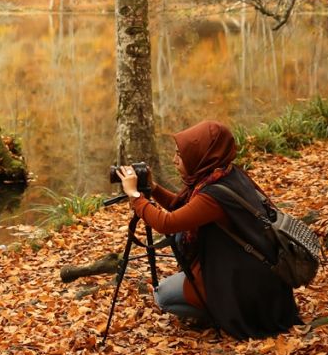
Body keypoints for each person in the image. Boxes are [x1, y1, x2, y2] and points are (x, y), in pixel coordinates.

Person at [114, 120, 302, 339]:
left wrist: (135, 197)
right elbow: (183, 208)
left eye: (180, 155)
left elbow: (168, 223)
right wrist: (153, 189)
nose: (174, 160)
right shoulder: (225, 174)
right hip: (253, 273)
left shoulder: (214, 195)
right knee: (179, 261)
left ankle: (222, 312)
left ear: (199, 155)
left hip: (245, 284)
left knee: (162, 296)